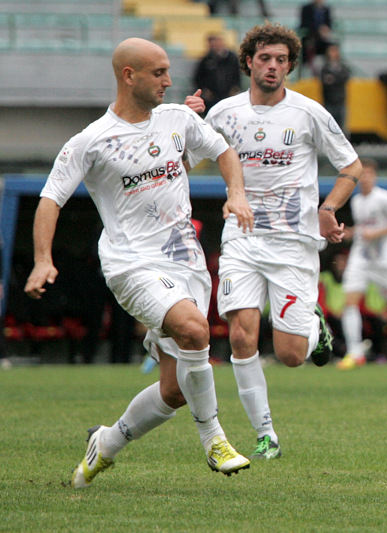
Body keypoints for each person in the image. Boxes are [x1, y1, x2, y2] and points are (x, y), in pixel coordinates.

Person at [24, 38, 255, 488]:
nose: (169, 81)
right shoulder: (91, 140)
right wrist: (41, 260)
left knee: (174, 391)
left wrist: (237, 192)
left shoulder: (178, 119)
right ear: (129, 75)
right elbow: (50, 198)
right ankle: (215, 440)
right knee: (194, 330)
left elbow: (224, 150)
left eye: (168, 71)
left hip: (184, 260)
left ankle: (106, 444)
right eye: (158, 73)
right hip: (131, 263)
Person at [185, 23, 362, 459]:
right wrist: (187, 120)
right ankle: (266, 434)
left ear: (290, 66)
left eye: (281, 60)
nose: (273, 67)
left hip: (292, 244)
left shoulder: (308, 112)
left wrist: (328, 209)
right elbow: (182, 162)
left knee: (290, 355)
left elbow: (351, 168)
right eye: (265, 58)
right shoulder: (224, 112)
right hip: (242, 238)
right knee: (241, 337)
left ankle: (312, 323)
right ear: (248, 61)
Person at [336, 158, 387, 370]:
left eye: (368, 174)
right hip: (361, 258)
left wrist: (377, 233)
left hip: (383, 260)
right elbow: (365, 228)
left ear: (375, 176)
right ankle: (354, 352)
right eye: (361, 175)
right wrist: (351, 233)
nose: (364, 178)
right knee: (350, 302)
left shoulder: (385, 198)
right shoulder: (356, 201)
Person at [193, 33, 243, 116]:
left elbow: (237, 74)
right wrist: (204, 91)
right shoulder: (206, 59)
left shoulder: (232, 58)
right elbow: (198, 77)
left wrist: (235, 88)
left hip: (228, 95)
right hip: (212, 98)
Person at [319, 42, 350, 134]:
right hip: (329, 101)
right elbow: (325, 81)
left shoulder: (343, 67)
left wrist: (333, 79)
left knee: (342, 129)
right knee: (329, 129)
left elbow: (345, 77)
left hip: (340, 101)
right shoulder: (325, 67)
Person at [299, 0, 333, 74]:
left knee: (332, 47)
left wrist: (326, 29)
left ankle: (330, 70)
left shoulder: (326, 9)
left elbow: (329, 23)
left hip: (322, 39)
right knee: (306, 46)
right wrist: (318, 30)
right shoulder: (306, 8)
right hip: (310, 37)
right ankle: (303, 72)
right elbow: (304, 24)